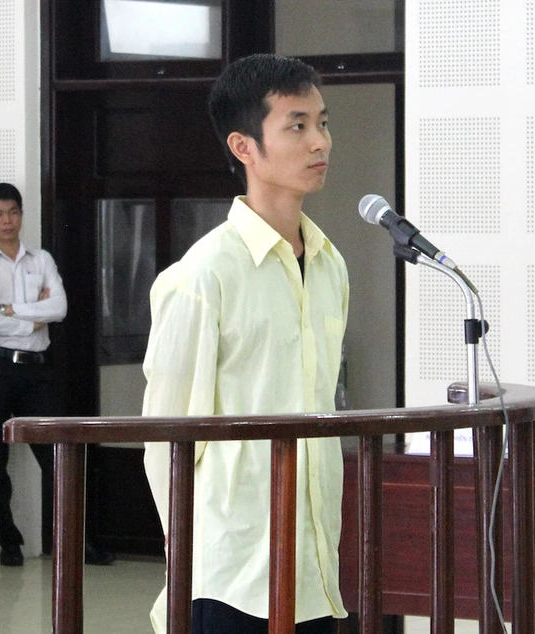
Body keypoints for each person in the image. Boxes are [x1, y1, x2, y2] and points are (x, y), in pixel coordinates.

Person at [142, 53, 348, 634]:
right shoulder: (203, 274)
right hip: (229, 568)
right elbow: (164, 438)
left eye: (322, 123)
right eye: (297, 126)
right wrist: (185, 554)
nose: (319, 142)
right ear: (243, 147)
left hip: (314, 565)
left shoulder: (330, 264)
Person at [0, 182, 114, 567]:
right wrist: (32, 318)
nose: (7, 221)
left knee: (55, 454)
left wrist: (10, 310)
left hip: (36, 370)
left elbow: (59, 309)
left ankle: (77, 541)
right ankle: (9, 542)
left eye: (13, 212)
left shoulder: (41, 259)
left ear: (21, 214)